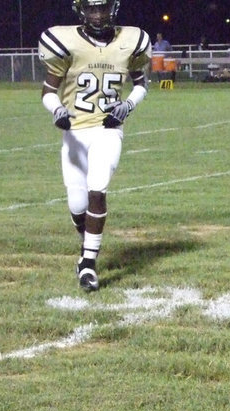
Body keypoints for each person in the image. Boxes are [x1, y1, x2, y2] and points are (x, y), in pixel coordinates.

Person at [38, 0, 151, 292]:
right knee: (77, 205)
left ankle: (88, 264)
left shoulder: (131, 40)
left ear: (113, 9)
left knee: (97, 189)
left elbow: (141, 83)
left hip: (107, 130)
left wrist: (128, 105)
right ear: (81, 11)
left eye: (102, 8)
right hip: (75, 132)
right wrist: (57, 111)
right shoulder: (65, 41)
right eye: (91, 9)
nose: (97, 14)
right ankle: (87, 243)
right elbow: (49, 91)